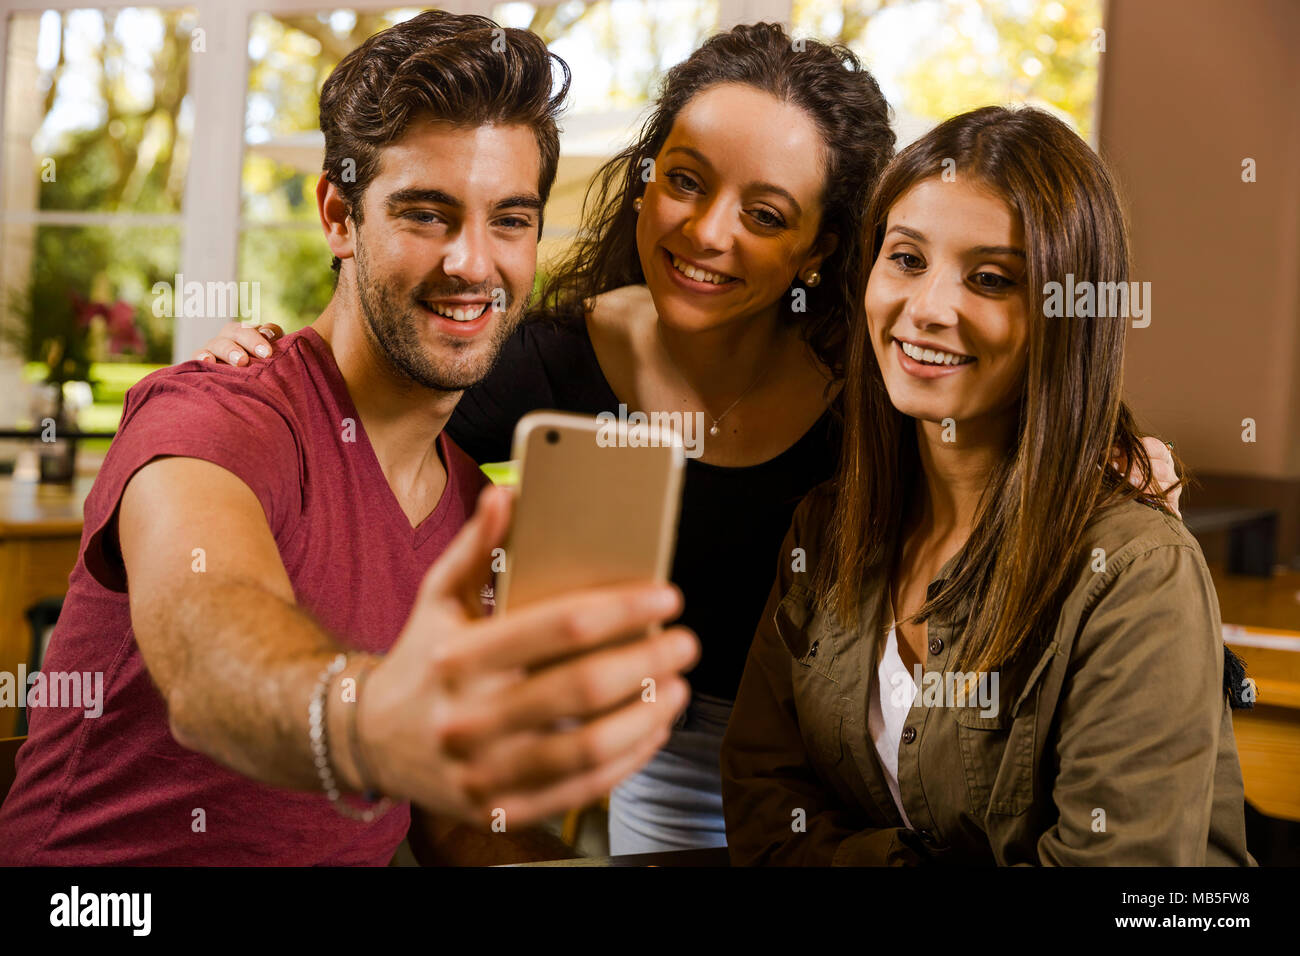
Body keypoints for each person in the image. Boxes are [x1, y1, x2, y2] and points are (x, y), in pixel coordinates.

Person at [200, 24, 1182, 856]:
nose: (709, 234)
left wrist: (1110, 451)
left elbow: (1007, 419)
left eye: (764, 215)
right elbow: (365, 410)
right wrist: (271, 360)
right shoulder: (551, 355)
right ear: (643, 181)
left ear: (820, 246)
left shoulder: (870, 399)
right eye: (684, 182)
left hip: (844, 773)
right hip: (648, 781)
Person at [0, 11, 699, 866]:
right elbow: (207, 645)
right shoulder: (216, 420)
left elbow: (457, 822)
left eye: (510, 220)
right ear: (338, 215)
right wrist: (365, 724)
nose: (474, 264)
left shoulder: (475, 513)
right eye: (428, 214)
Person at [720, 105, 1254, 866]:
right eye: (906, 259)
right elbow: (764, 811)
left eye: (992, 279)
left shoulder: (1135, 572)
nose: (929, 309)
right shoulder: (827, 529)